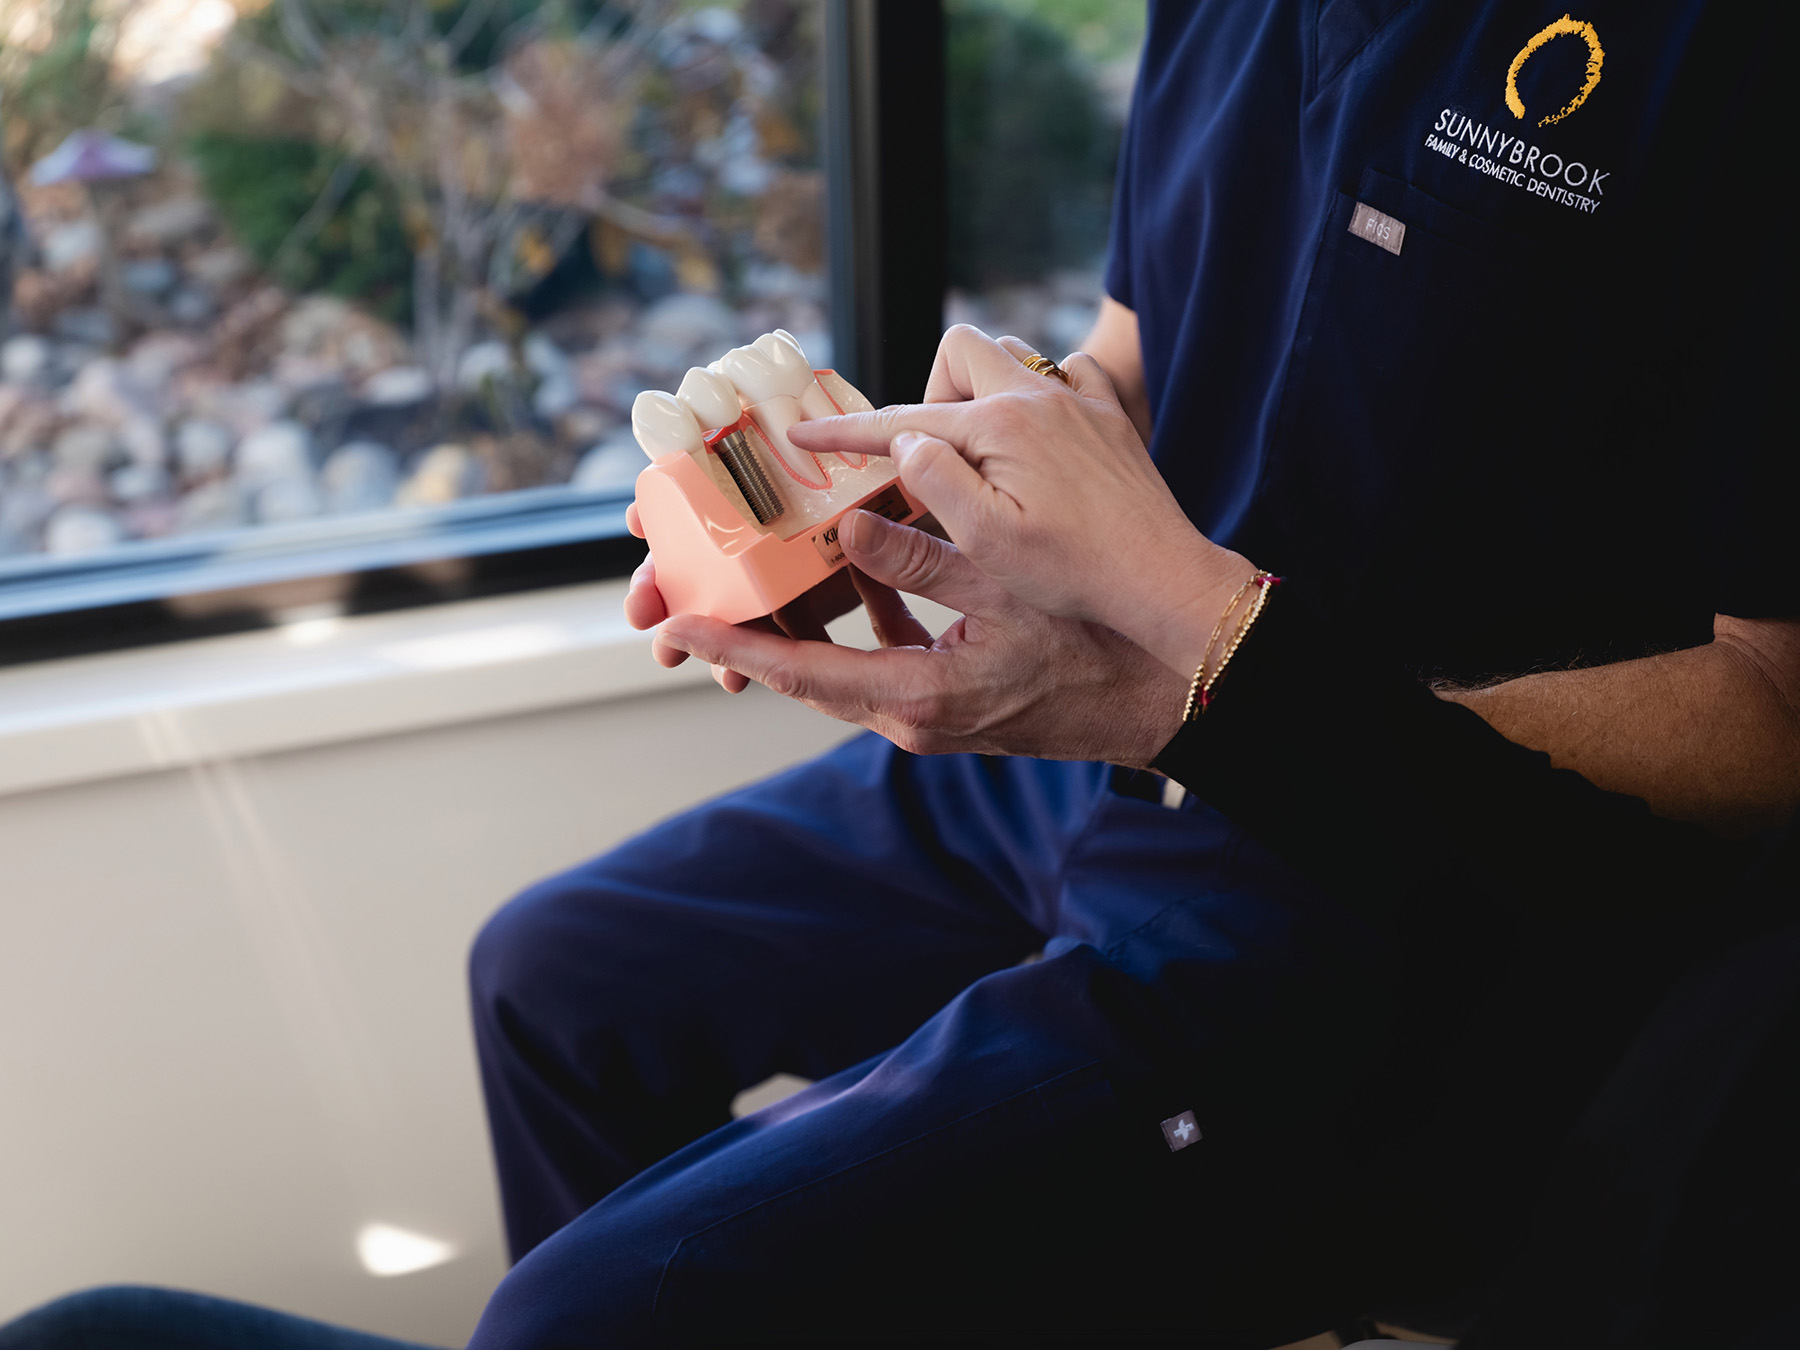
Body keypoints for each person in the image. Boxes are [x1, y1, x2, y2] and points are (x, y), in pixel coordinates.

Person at [1, 2, 1791, 1348]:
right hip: (1117, 750)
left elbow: (1774, 707)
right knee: (554, 979)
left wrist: (1186, 675)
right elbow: (1135, 362)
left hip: (1404, 891)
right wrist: (890, 495)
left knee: (579, 1316)